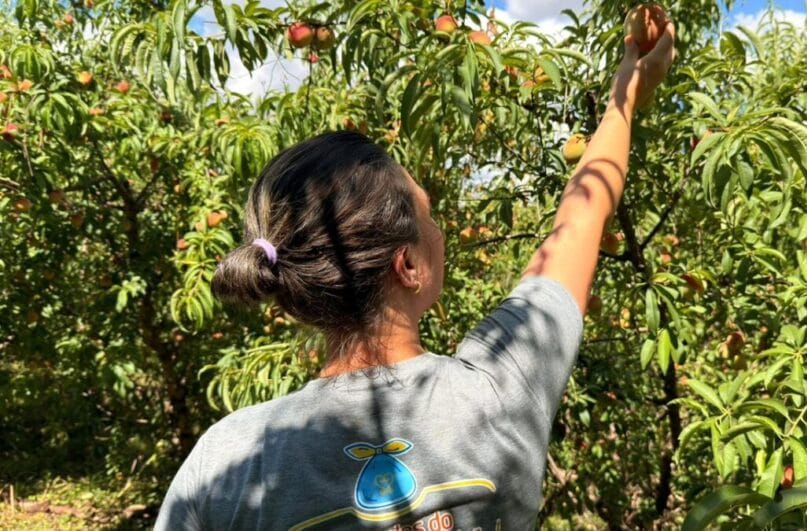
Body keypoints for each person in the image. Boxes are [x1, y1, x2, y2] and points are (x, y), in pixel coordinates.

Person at [155, 21, 676, 531]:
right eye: (429, 214)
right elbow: (581, 217)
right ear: (408, 264)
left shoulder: (226, 462)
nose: (440, 228)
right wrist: (627, 91)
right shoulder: (500, 391)